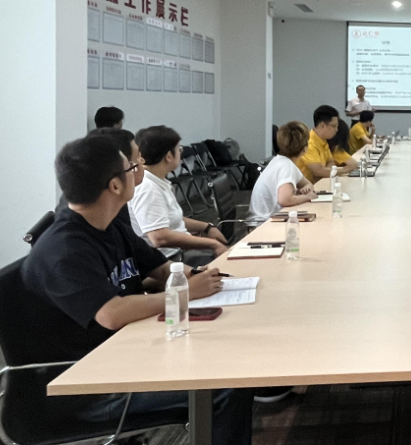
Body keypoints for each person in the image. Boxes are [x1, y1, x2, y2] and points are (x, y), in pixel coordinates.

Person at [22, 135, 253, 445]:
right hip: (88, 387)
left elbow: (160, 269)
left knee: (229, 355)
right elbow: (112, 314)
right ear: (115, 185)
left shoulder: (110, 223)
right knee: (226, 383)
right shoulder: (63, 250)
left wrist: (205, 277)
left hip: (125, 353)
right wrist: (185, 293)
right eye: (132, 166)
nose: (139, 169)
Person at [130, 126, 230, 262]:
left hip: (180, 253)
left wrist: (206, 227)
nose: (180, 153)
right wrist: (212, 244)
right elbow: (159, 237)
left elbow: (171, 219)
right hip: (170, 260)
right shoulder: (147, 188)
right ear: (168, 156)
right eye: (179, 149)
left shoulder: (157, 180)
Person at [250, 122, 315, 220]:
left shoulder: (280, 160)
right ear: (304, 149)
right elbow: (285, 200)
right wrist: (307, 197)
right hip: (264, 223)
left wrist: (306, 188)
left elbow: (307, 183)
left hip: (268, 218)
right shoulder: (286, 167)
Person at [293, 105, 356, 182]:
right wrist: (346, 170)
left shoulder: (323, 140)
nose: (336, 130)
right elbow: (318, 171)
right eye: (334, 126)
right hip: (304, 186)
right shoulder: (309, 142)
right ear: (322, 125)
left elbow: (331, 161)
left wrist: (326, 172)